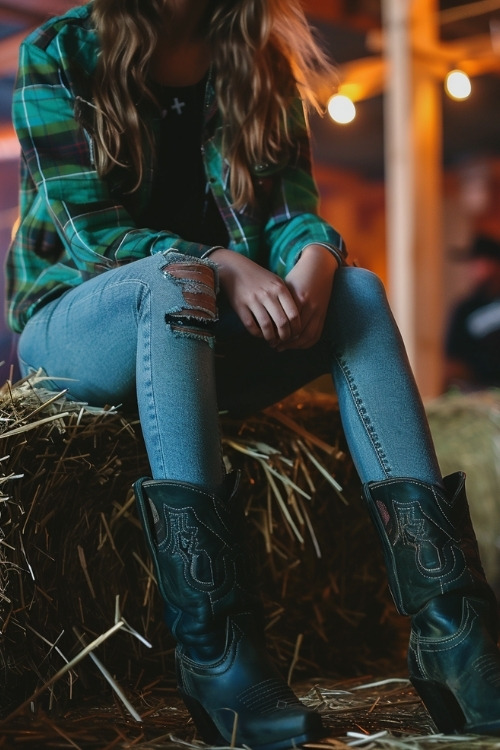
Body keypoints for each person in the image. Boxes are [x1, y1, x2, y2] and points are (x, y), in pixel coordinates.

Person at [6, 0, 500, 746]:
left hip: (203, 337)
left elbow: (290, 211)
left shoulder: (260, 61)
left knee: (359, 291)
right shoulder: (60, 51)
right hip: (75, 327)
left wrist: (319, 255)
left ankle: (452, 629)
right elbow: (90, 232)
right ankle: (216, 651)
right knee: (177, 279)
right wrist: (222, 263)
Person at [445, 235, 500, 391]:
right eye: (473, 263)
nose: (477, 269)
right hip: (479, 392)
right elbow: (453, 363)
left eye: (484, 262)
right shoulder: (464, 309)